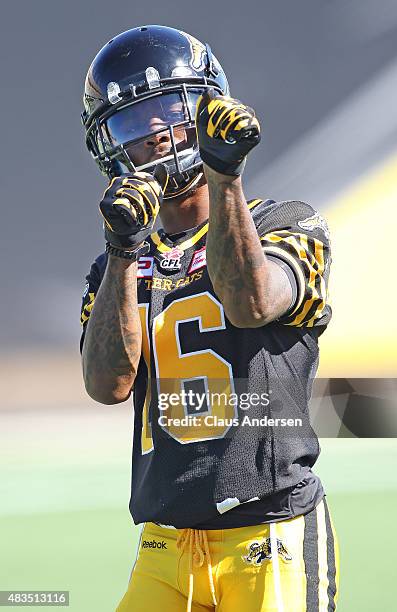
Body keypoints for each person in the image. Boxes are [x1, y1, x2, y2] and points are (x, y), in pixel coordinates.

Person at [80, 25, 339, 612]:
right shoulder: (116, 262)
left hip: (268, 535)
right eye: (133, 123)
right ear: (109, 146)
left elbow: (251, 302)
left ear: (206, 108)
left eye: (171, 109)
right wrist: (123, 250)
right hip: (164, 543)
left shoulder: (287, 221)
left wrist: (226, 176)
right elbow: (106, 386)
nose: (157, 134)